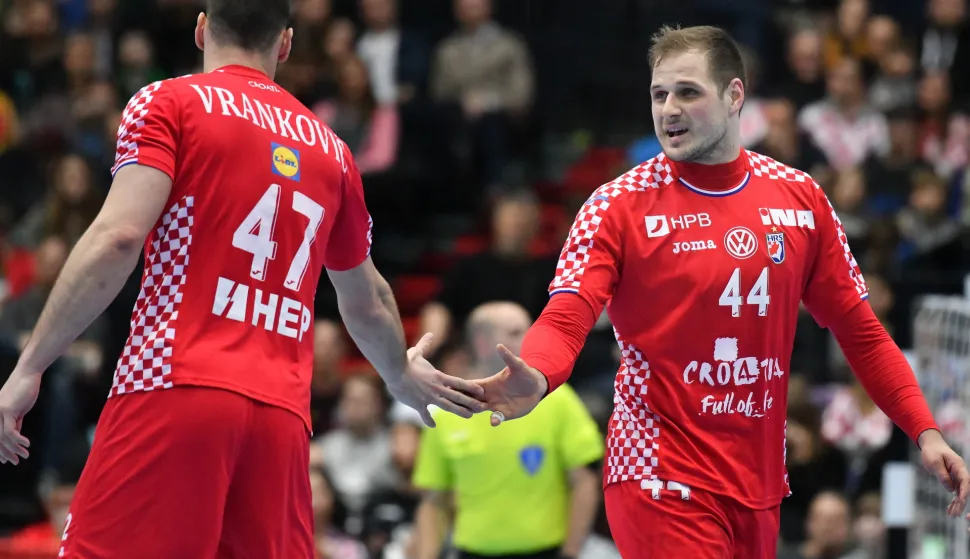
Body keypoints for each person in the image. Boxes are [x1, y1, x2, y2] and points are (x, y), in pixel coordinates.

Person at [0, 1, 488, 557]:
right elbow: (368, 295)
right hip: (281, 417)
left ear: (202, 28)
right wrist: (398, 374)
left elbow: (117, 238)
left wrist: (30, 365)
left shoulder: (170, 102)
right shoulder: (331, 151)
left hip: (175, 384)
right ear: (284, 43)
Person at [470, 25, 970, 559]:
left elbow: (863, 334)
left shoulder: (800, 199)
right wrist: (541, 374)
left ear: (735, 96)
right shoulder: (617, 205)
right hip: (656, 471)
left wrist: (926, 431)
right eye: (659, 94)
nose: (668, 109)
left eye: (688, 92)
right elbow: (567, 315)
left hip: (757, 480)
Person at [410, 302, 603, 559]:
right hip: (471, 553)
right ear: (482, 342)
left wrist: (570, 553)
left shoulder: (556, 398)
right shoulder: (448, 409)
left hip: (547, 553)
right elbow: (434, 501)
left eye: (530, 330)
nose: (529, 340)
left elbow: (585, 480)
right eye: (515, 333)